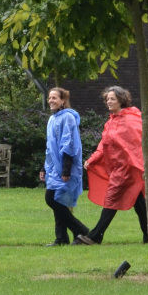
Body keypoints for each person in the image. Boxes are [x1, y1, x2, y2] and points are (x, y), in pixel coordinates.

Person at [84, 85, 148, 244]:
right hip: (117, 167)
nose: (109, 102)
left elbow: (141, 144)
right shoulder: (111, 121)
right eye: (107, 99)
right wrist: (93, 158)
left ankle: (95, 236)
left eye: (112, 99)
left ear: (121, 100)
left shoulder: (130, 120)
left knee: (112, 198)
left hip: (128, 169)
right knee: (139, 203)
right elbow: (104, 144)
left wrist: (141, 166)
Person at [39, 87, 92, 246]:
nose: (50, 100)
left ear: (63, 100)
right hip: (53, 167)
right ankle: (61, 238)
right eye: (49, 97)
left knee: (51, 199)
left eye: (54, 98)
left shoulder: (68, 117)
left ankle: (81, 230)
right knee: (58, 200)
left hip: (64, 167)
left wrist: (66, 169)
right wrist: (44, 167)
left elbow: (69, 144)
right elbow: (50, 147)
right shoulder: (52, 119)